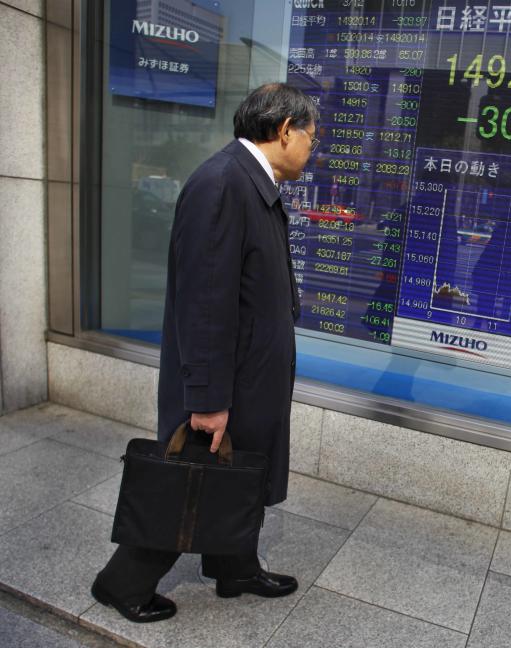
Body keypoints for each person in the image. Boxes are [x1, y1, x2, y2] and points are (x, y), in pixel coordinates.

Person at [91, 83, 319, 623]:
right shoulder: (223, 185)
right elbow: (205, 303)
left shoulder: (246, 182)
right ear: (284, 130)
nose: (314, 149)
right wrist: (208, 398)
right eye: (311, 137)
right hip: (226, 381)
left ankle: (234, 566)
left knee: (236, 473)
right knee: (190, 476)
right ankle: (120, 582)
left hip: (247, 373)